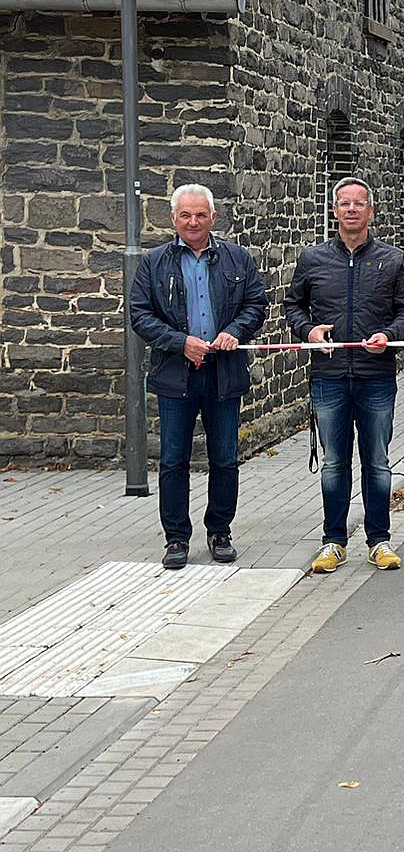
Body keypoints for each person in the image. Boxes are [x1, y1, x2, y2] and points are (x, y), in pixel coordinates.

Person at [284, 176, 404, 574]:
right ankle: (333, 541)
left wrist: (390, 336)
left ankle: (379, 541)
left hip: (375, 376)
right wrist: (308, 331)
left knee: (377, 462)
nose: (352, 210)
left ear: (371, 212)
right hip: (328, 377)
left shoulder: (392, 259)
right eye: (345, 203)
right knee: (333, 463)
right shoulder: (313, 259)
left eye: (359, 203)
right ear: (334, 210)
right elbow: (293, 307)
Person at [129, 184, 268, 570]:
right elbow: (140, 314)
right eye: (186, 215)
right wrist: (179, 342)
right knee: (174, 460)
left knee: (225, 458)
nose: (193, 222)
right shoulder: (154, 262)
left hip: (224, 373)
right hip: (176, 375)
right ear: (173, 219)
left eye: (200, 215)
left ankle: (219, 531)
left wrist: (235, 331)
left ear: (213, 218)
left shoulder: (237, 258)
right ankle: (176, 539)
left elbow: (256, 303)